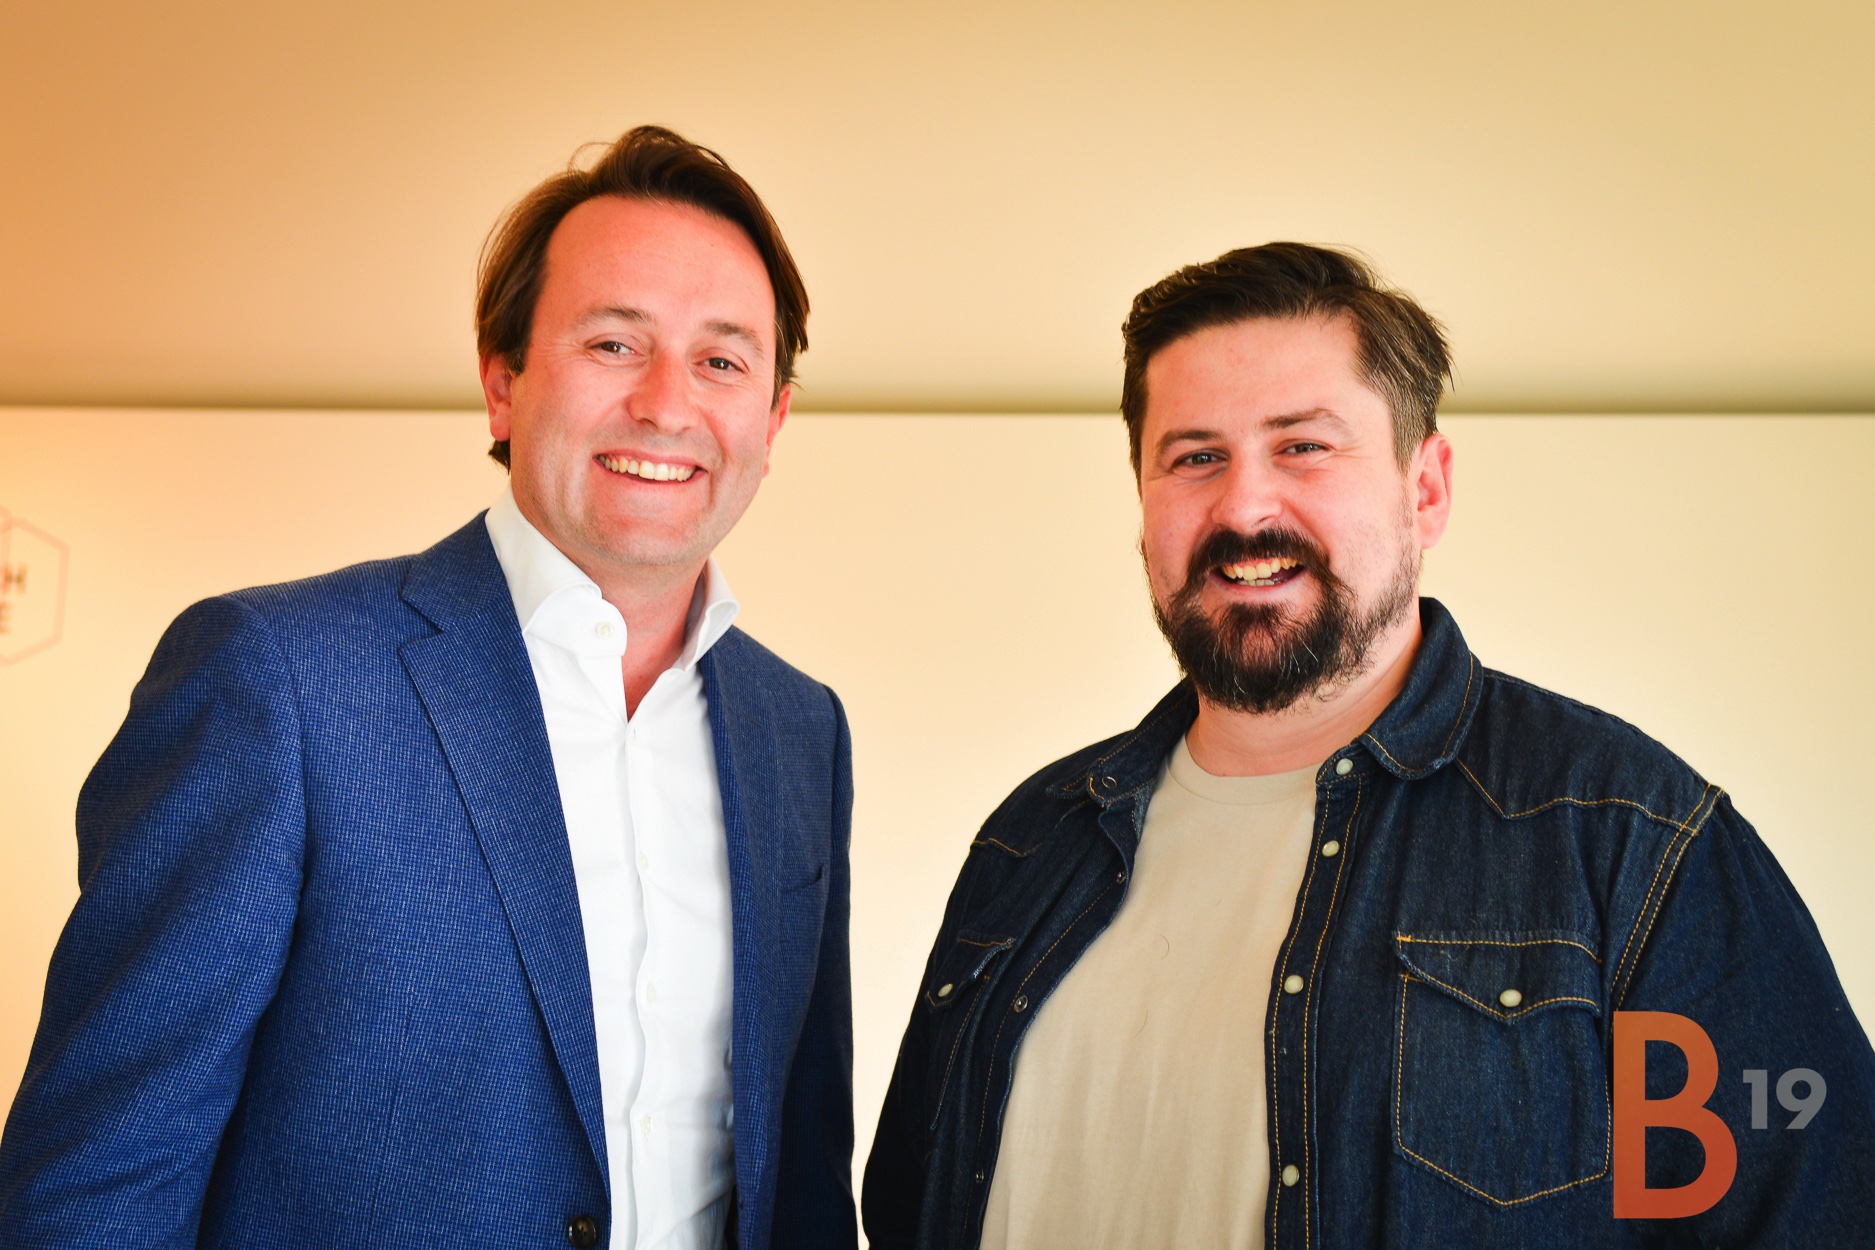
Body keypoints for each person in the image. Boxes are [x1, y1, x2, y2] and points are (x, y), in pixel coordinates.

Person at [861, 243, 1875, 1248]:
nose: (1244, 507)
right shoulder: (1033, 839)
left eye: (1304, 446)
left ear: (1423, 489)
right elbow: (906, 1203)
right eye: (1195, 457)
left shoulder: (1629, 841)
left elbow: (1807, 1214)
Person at [0, 126, 857, 1250]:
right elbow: (99, 1177)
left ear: (773, 419)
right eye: (613, 343)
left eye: (723, 362)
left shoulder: (798, 729)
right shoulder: (277, 678)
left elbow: (801, 1177)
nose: (666, 403)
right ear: (503, 383)